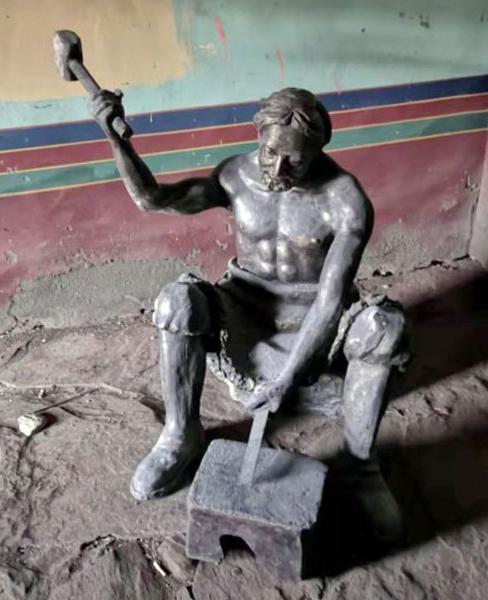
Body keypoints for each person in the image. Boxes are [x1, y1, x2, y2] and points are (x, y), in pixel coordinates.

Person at [89, 88, 408, 534]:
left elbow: (330, 301)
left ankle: (361, 466)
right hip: (243, 308)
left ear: (318, 151)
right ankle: (180, 434)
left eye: (295, 161)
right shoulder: (236, 175)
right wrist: (115, 138)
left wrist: (286, 380)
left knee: (384, 327)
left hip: (313, 319)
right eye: (270, 152)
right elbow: (153, 199)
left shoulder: (345, 200)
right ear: (258, 137)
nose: (277, 170)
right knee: (176, 302)